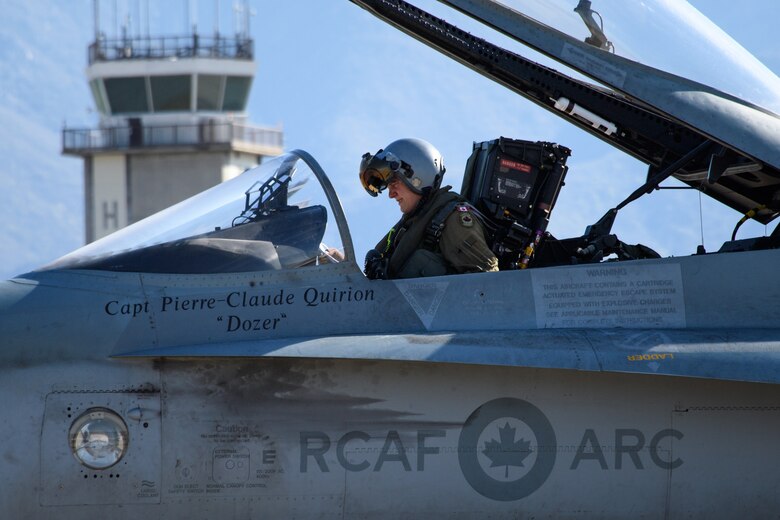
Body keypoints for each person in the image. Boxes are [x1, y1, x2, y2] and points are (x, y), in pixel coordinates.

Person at [360, 138, 498, 279]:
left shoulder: (451, 219)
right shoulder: (408, 227)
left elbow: (488, 281)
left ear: (417, 177)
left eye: (394, 183)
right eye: (388, 186)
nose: (391, 194)